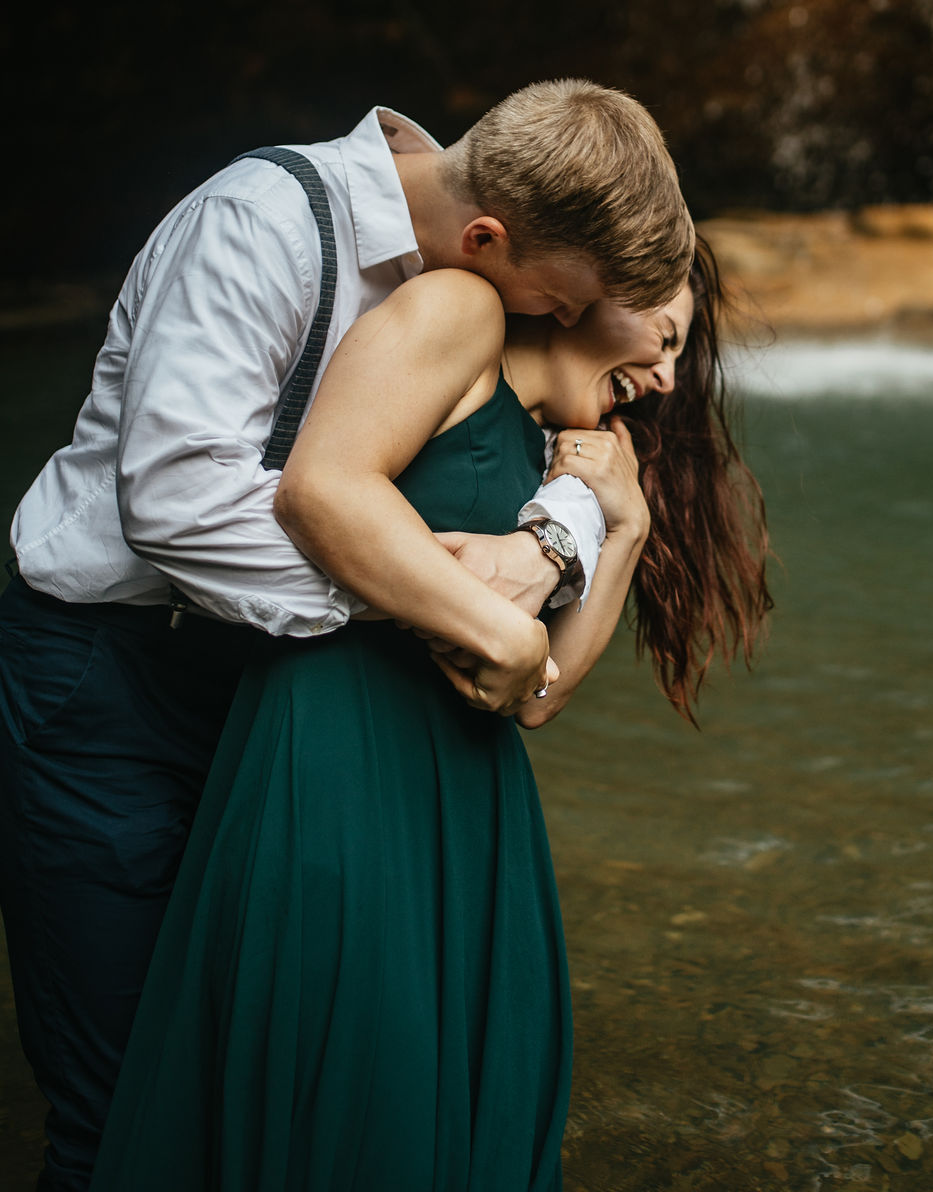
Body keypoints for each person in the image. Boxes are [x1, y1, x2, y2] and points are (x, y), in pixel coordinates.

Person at [0, 80, 693, 1192]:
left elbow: (520, 427)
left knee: (246, 1083)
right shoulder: (261, 222)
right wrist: (454, 598)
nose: (553, 325)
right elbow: (179, 504)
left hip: (273, 692)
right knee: (123, 1098)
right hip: (108, 679)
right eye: (558, 303)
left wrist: (555, 544)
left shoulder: (481, 261)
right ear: (485, 240)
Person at [88, 241, 771, 1192]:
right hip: (335, 755)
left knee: (465, 1101)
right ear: (594, 291)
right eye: (665, 339)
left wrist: (625, 529)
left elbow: (541, 694)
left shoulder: (566, 452)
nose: (663, 380)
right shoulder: (459, 317)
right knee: (351, 1082)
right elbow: (320, 493)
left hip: (472, 797)